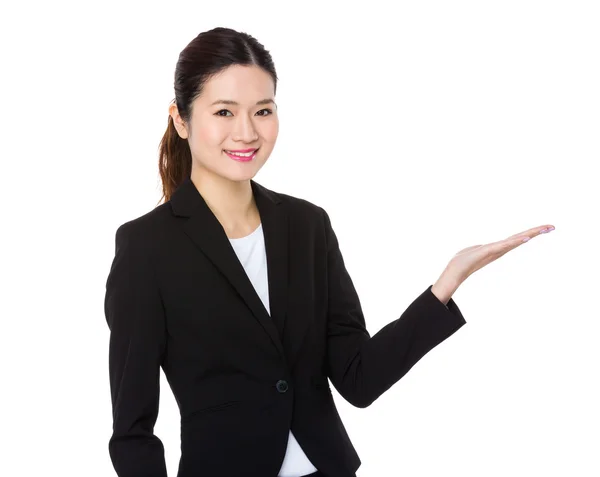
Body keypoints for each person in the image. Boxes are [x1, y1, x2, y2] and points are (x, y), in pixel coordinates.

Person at [103, 26, 555, 477]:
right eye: (223, 111)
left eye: (263, 111)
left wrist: (445, 285)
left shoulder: (307, 225)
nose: (246, 132)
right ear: (180, 120)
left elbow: (359, 378)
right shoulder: (147, 248)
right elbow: (132, 430)